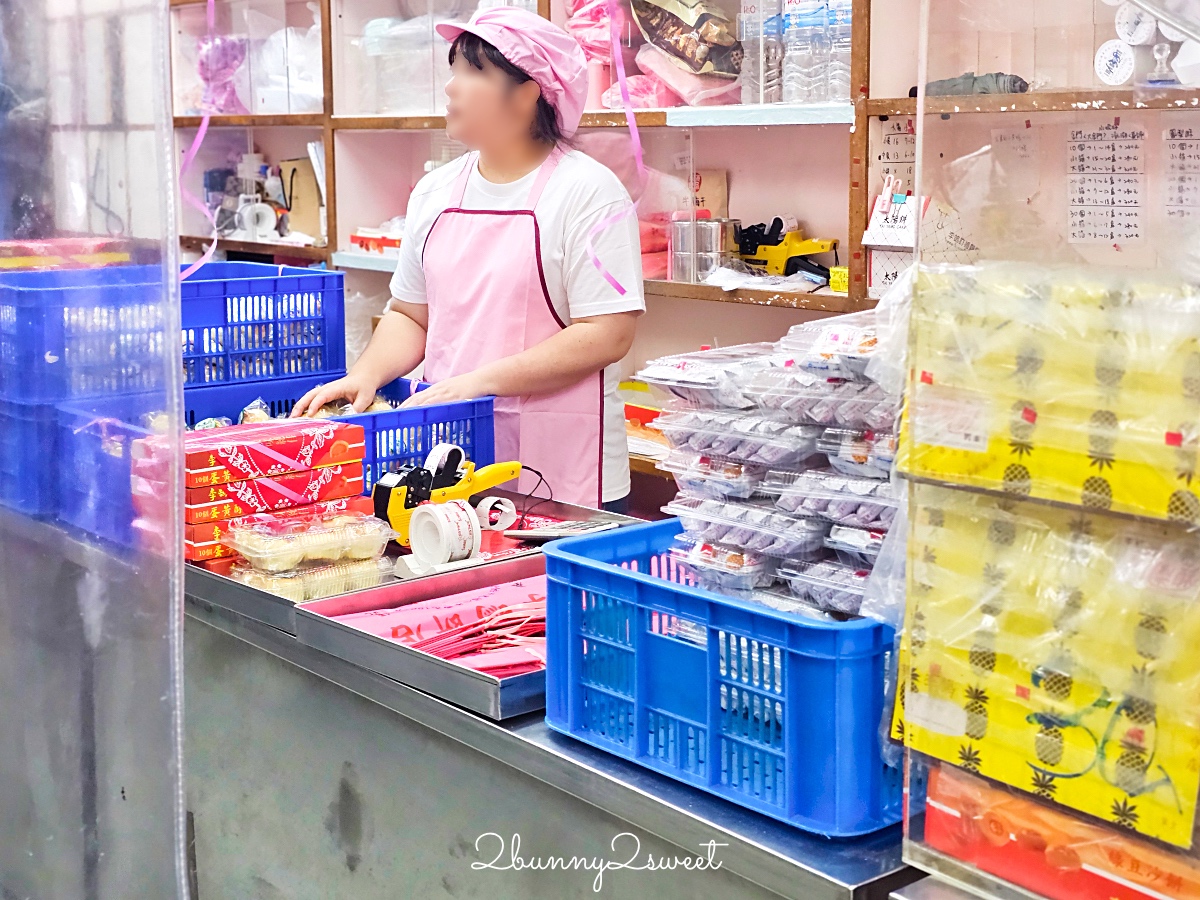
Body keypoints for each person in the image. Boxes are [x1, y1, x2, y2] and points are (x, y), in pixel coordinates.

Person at [293, 7, 643, 513]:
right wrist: (365, 374)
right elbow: (411, 312)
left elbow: (608, 332)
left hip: (565, 474)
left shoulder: (588, 192)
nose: (452, 87)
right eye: (455, 69)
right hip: (452, 456)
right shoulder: (436, 191)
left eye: (473, 72)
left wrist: (474, 384)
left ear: (528, 94)